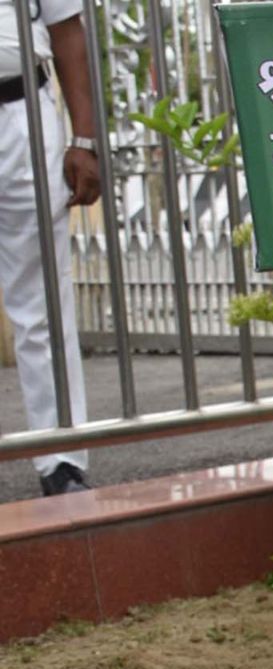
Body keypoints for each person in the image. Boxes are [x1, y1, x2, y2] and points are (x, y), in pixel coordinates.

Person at [1, 0, 100, 496]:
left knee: (42, 303)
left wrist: (84, 137)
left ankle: (61, 460)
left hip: (24, 117)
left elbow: (67, 31)